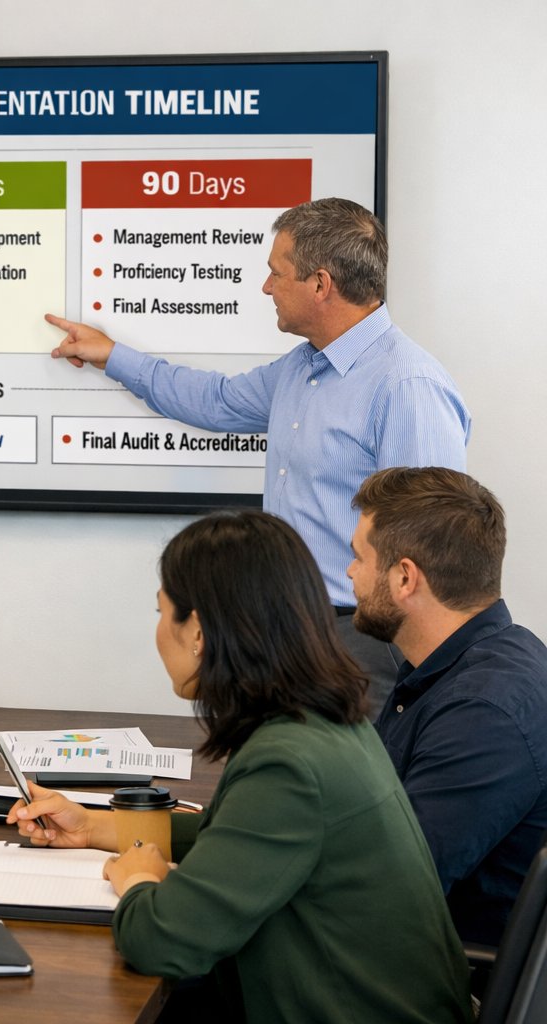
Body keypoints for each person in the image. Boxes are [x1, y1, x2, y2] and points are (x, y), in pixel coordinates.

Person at [8, 510, 470, 1023]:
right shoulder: (325, 722)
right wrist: (96, 826)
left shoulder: (289, 762)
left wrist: (139, 880)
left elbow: (161, 942)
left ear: (200, 630)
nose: (159, 632)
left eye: (162, 613)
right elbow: (230, 833)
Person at [46, 197, 470, 709]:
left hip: (366, 644)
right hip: (292, 628)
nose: (266, 286)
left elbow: (430, 544)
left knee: (352, 784)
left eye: (276, 273)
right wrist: (113, 355)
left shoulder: (408, 385)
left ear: (320, 284)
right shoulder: (301, 367)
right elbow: (217, 401)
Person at [349, 467, 547, 946]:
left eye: (358, 557)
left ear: (404, 577)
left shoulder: (483, 711)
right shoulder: (448, 670)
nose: (350, 573)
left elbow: (386, 892)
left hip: (441, 982)